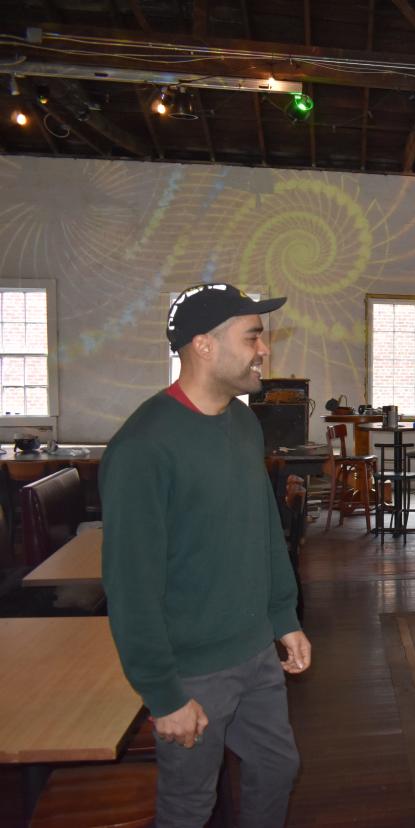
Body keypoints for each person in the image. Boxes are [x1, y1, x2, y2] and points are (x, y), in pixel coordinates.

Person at [102, 283, 311, 826]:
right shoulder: (143, 445)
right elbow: (130, 586)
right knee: (189, 805)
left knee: (277, 767)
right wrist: (162, 694)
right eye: (253, 337)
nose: (264, 350)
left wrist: (283, 617)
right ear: (204, 346)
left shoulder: (243, 423)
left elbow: (264, 529)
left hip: (255, 653)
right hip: (192, 670)